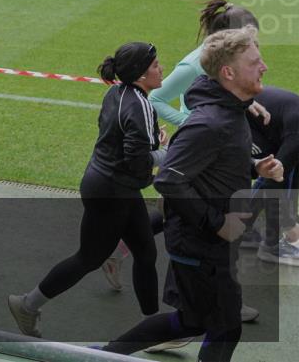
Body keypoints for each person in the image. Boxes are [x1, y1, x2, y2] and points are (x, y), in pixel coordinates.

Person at [102, 27, 284, 362]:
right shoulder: (210, 123)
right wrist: (217, 223)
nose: (264, 67)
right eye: (254, 62)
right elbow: (169, 180)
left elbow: (216, 160)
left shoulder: (231, 109)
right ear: (228, 73)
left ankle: (101, 355)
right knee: (225, 327)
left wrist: (255, 166)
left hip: (208, 243)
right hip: (201, 245)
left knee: (192, 321)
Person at [8, 43, 167, 338]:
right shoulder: (141, 105)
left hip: (109, 184)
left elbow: (118, 139)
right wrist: (166, 153)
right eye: (156, 65)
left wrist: (152, 143)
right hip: (113, 191)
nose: (161, 69)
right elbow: (138, 162)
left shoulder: (115, 93)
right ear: (141, 75)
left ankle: (152, 328)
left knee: (146, 252)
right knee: (89, 258)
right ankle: (27, 305)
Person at [149, 0, 269, 127]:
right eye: (247, 39)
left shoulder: (234, 59)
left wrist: (246, 102)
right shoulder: (192, 67)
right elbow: (155, 100)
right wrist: (191, 122)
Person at [245, 86, 299, 265]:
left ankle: (243, 229)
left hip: (272, 125)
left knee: (286, 170)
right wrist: (290, 226)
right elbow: (274, 182)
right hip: (247, 124)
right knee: (275, 174)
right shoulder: (296, 135)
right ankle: (271, 247)